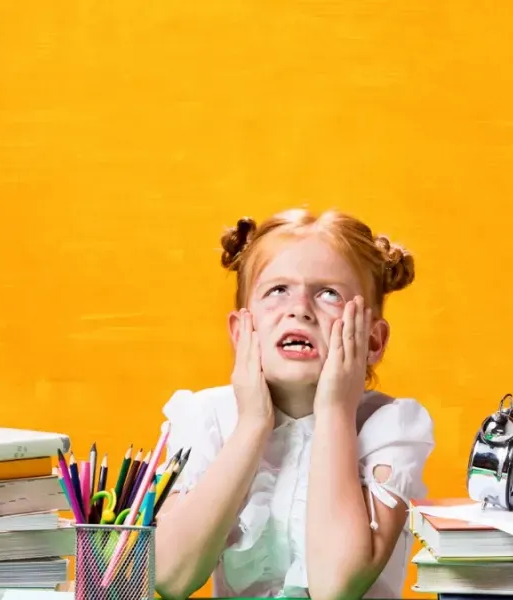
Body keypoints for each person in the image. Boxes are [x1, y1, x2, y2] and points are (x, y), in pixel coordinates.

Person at [153, 208, 435, 600]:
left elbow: (335, 586)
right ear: (241, 330)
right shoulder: (206, 418)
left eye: (328, 293)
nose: (299, 308)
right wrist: (252, 424)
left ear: (372, 340)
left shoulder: (391, 427)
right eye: (277, 290)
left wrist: (336, 411)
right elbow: (170, 577)